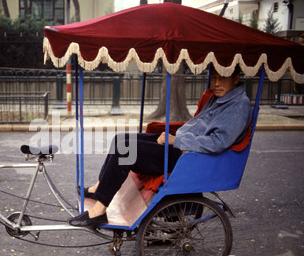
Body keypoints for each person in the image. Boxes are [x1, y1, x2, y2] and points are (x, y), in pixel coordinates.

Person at [68, 66, 252, 227]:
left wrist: (176, 141)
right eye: (214, 77)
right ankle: (97, 189)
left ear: (236, 78)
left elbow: (217, 143)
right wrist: (174, 137)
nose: (216, 83)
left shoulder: (238, 105)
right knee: (121, 140)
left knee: (127, 150)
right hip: (182, 144)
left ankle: (99, 210)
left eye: (223, 78)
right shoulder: (221, 97)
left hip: (189, 156)